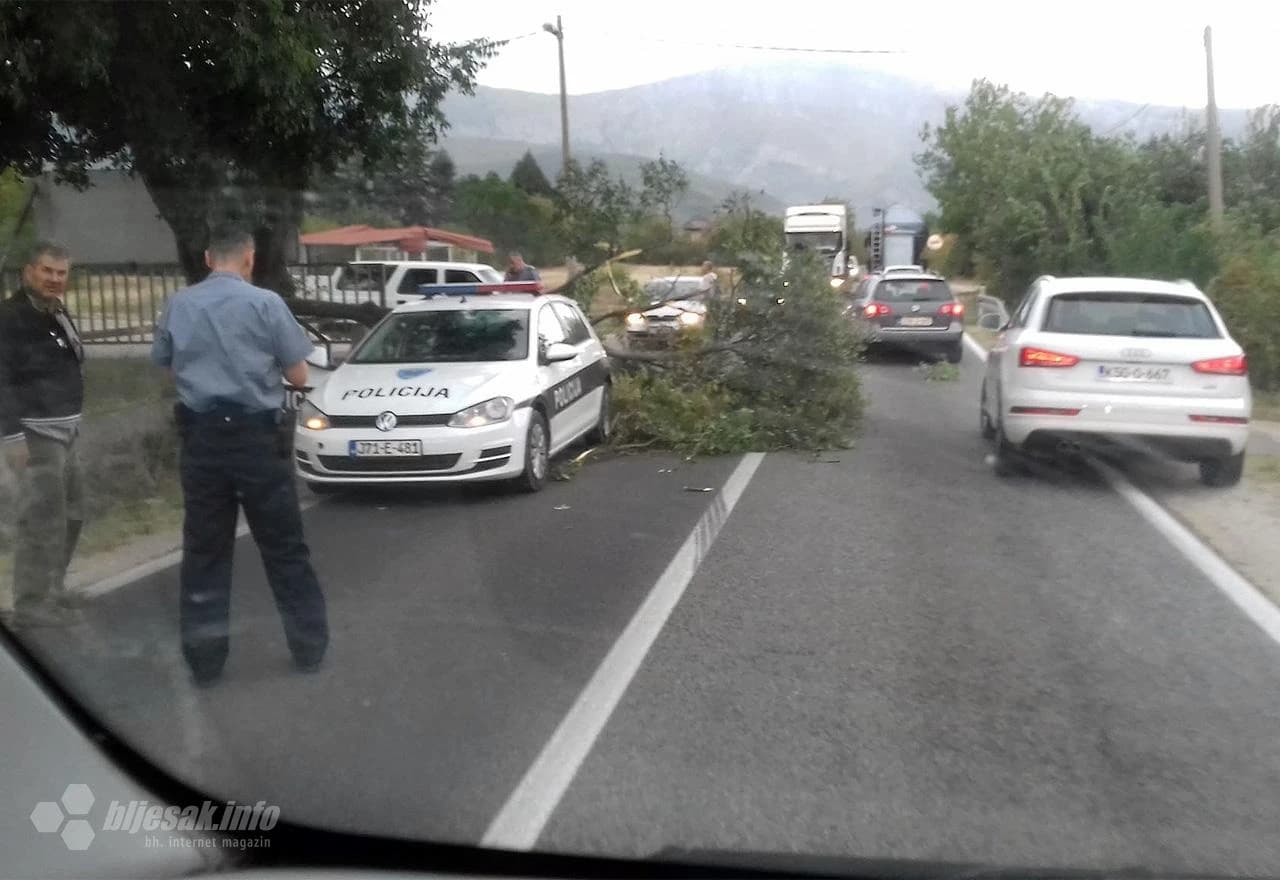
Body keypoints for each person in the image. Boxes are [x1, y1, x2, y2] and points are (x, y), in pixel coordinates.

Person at [152, 229, 328, 686]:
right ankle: (308, 647)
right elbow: (298, 371)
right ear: (249, 259)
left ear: (209, 258)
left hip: (202, 438)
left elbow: (170, 367)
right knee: (284, 548)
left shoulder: (179, 304)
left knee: (205, 550)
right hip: (256, 439)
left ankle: (205, 660)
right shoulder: (266, 303)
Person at [0, 241, 85, 629]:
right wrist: (11, 436)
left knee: (73, 513)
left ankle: (53, 589)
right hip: (35, 435)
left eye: (61, 272)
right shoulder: (11, 318)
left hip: (66, 429)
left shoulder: (55, 312)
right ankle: (31, 605)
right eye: (47, 271)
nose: (55, 279)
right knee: (42, 519)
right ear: (28, 272)